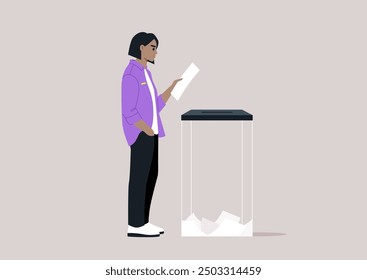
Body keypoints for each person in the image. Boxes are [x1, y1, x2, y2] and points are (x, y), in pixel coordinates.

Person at [121, 32, 182, 237]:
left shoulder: (147, 73)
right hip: (141, 134)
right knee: (139, 178)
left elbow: (155, 106)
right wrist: (145, 129)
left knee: (151, 176)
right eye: (153, 47)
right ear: (141, 48)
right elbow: (128, 110)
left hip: (152, 133)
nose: (156, 52)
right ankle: (135, 225)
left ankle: (143, 222)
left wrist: (171, 89)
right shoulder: (131, 73)